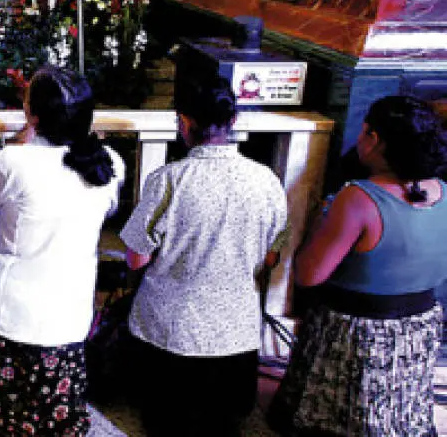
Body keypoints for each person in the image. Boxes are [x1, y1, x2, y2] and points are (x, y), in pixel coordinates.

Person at [119, 73, 287, 436]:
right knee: (223, 426)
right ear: (234, 121)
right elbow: (272, 256)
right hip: (237, 335)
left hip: (172, 334)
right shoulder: (267, 181)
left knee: (169, 425)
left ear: (184, 122)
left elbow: (136, 258)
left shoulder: (170, 180)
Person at [268, 95, 447, 436]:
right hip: (419, 329)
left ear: (374, 139)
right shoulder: (443, 192)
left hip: (358, 333)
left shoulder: (358, 199)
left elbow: (309, 274)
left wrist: (323, 215)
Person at [0, 66, 125, 435]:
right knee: (60, 418)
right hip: (67, 314)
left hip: (10, 313)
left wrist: (24, 139)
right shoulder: (109, 164)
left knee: (9, 414)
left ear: (33, 115)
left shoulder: (13, 163)